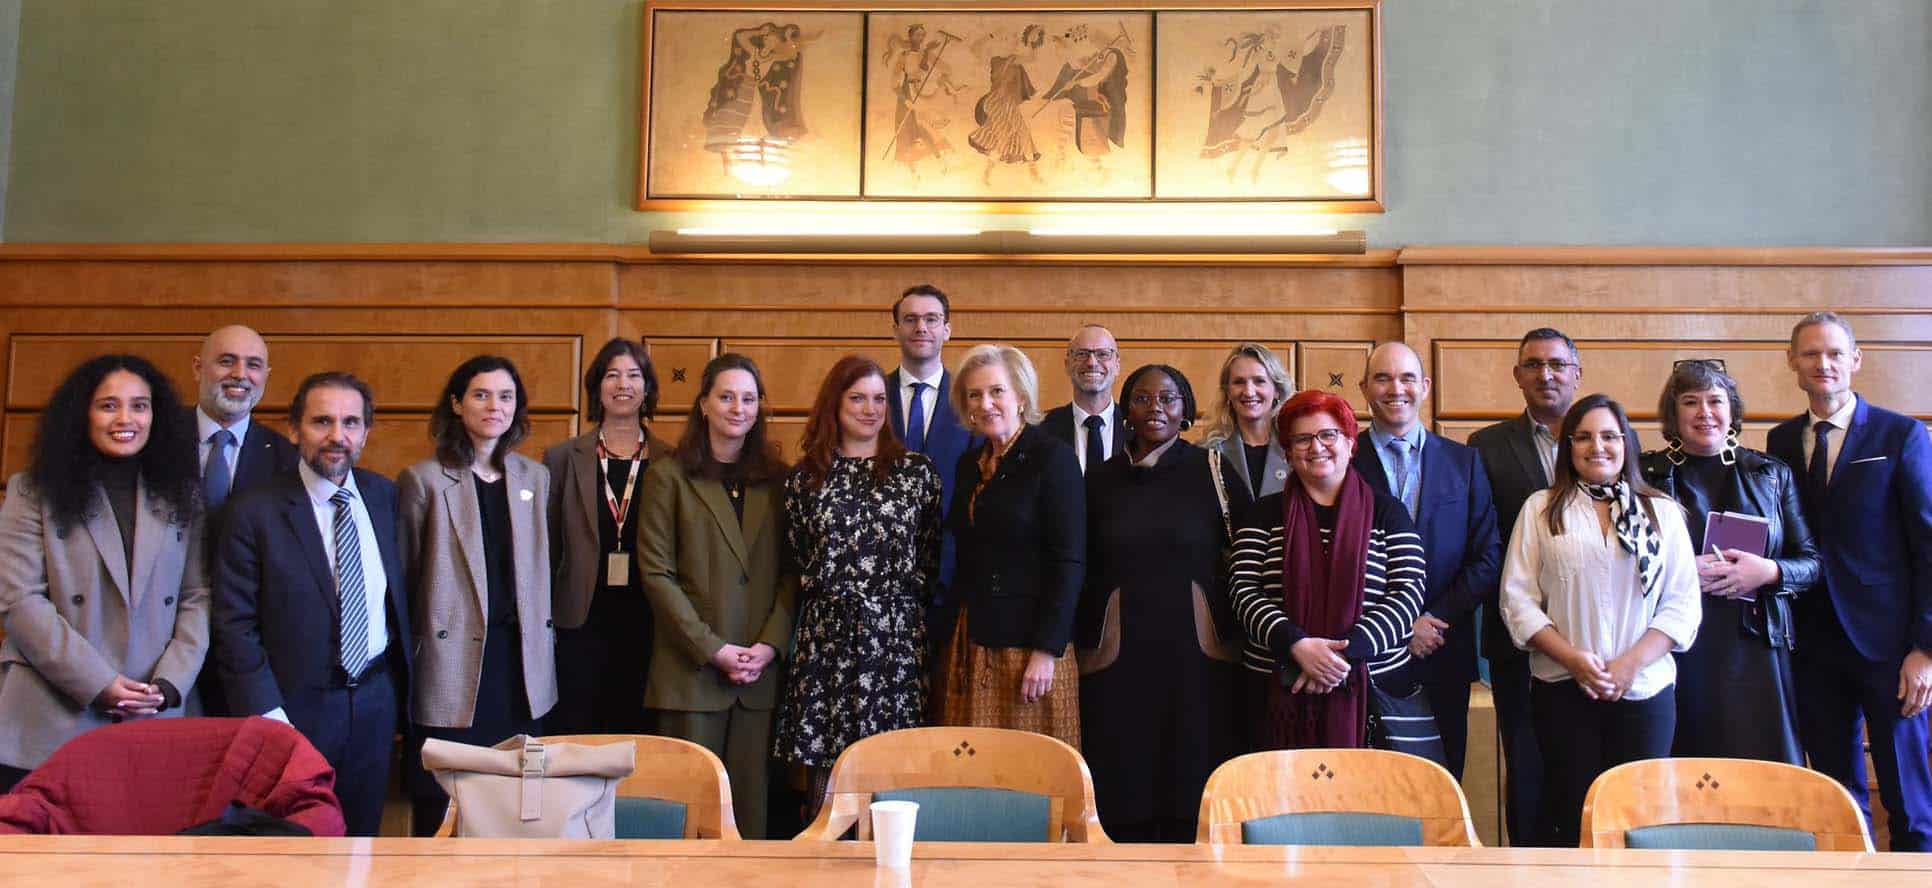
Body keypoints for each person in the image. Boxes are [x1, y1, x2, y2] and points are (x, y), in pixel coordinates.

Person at [1499, 394, 1700, 849]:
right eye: (1584, 436)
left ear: (1626, 442)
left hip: (1645, 691)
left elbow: (1682, 603)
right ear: (1568, 446)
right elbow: (1518, 600)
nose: (1598, 446)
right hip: (1563, 691)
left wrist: (1628, 665)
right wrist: (1574, 660)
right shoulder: (1540, 508)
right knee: (1571, 816)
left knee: (1640, 822)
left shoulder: (1662, 512)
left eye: (1609, 436)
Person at [214, 372, 410, 837]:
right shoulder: (252, 510)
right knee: (289, 850)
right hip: (290, 712)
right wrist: (270, 718)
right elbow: (232, 624)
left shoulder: (385, 497)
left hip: (373, 707)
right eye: (322, 421)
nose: (336, 436)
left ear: (365, 432)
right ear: (293, 429)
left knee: (362, 840)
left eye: (350, 422)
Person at [0, 355, 207, 792]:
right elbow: (18, 600)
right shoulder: (30, 491)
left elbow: (197, 596)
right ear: (82, 415)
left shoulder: (182, 494)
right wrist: (99, 683)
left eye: (139, 405)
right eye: (108, 405)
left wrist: (169, 684)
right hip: (52, 712)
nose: (126, 419)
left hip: (156, 712)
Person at [1769, 311, 1932, 851]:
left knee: (1910, 801)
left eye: (1835, 353)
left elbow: (1929, 545)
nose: (1824, 364)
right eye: (1811, 354)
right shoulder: (1781, 441)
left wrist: (1925, 650)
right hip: (1812, 646)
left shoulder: (1901, 434)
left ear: (1855, 361)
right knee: (1836, 801)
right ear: (1792, 362)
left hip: (1889, 647)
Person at [773, 356, 942, 817]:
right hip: (827, 639)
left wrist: (895, 612)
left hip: (894, 640)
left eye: (879, 399)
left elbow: (929, 555)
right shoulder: (805, 478)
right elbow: (798, 555)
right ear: (835, 403)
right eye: (857, 398)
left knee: (892, 771)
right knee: (827, 780)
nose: (870, 409)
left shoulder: (917, 474)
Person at [1077, 364, 1239, 842]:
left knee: (1190, 773)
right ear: (1126, 409)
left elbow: (1241, 554)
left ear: (1185, 407)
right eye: (1143, 399)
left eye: (1168, 398)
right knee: (1123, 774)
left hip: (1194, 650)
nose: (1156, 409)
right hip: (1119, 651)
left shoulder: (1210, 470)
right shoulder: (1100, 480)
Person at [638, 353, 795, 839]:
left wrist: (768, 646)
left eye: (748, 398)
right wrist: (715, 649)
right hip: (692, 674)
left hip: (757, 678)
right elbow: (656, 574)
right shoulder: (668, 475)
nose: (737, 408)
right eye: (725, 396)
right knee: (691, 819)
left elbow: (794, 572)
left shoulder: (778, 479)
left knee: (750, 821)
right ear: (703, 404)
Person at [398, 355, 556, 836]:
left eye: (505, 396)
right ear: (456, 403)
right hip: (455, 666)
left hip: (519, 666)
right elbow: (406, 580)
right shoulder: (423, 480)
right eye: (481, 395)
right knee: (445, 806)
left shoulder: (534, 478)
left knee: (515, 805)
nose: (494, 406)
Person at [1638, 359, 1817, 765]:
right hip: (1677, 644)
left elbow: (1811, 561)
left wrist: (1769, 571)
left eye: (1715, 401)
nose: (1705, 412)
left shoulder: (1772, 473)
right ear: (1673, 413)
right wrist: (1679, 572)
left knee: (1762, 773)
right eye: (1690, 402)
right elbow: (1621, 565)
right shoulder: (1645, 474)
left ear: (1732, 410)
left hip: (1755, 647)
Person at [1227, 390, 1425, 751]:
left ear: (1350, 443)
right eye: (1302, 438)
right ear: (1287, 452)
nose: (1316, 447)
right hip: (1275, 690)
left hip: (1374, 692)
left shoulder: (1388, 512)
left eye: (1328, 435)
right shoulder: (1263, 514)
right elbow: (1243, 591)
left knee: (1370, 803)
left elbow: (1407, 592)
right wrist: (1296, 645)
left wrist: (1339, 658)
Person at [1352, 343, 1500, 780]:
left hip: (1443, 648)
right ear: (1363, 388)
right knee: (1370, 786)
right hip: (1367, 654)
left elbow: (1488, 556)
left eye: (1407, 378)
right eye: (1382, 378)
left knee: (1442, 783)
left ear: (1426, 386)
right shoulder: (1342, 461)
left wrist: (1433, 618)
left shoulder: (1464, 461)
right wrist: (1399, 626)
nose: (1396, 388)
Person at [936, 344, 1084, 748]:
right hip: (974, 640)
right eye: (974, 394)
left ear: (1021, 396)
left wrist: (1046, 650)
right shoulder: (971, 464)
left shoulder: (1052, 458)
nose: (985, 403)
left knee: (1031, 771)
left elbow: (1068, 560)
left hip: (1030, 648)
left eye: (996, 391)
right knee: (972, 764)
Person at [1466, 327, 1577, 847]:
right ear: (1517, 376)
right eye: (1533, 365)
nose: (1545, 374)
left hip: (1596, 637)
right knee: (1527, 762)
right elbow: (1481, 542)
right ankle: (1528, 867)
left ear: (1576, 371)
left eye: (1556, 364)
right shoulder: (1485, 447)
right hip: (1518, 638)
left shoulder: (1607, 436)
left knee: (1588, 765)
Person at [542, 337, 671, 737]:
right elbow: (547, 545)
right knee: (579, 729)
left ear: (647, 388)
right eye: (612, 375)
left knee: (639, 731)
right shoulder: (562, 457)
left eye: (634, 375)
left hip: (648, 617)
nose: (623, 384)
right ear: (597, 386)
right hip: (580, 618)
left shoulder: (672, 459)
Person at [188, 324, 296, 716]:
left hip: (252, 661)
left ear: (266, 376)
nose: (240, 374)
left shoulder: (289, 461)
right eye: (226, 361)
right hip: (161, 655)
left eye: (253, 365)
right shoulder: (155, 442)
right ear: (198, 368)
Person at [885, 284, 973, 651]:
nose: (921, 327)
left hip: (950, 583)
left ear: (947, 330)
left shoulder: (971, 399)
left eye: (931, 319)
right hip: (881, 584)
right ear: (896, 329)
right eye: (911, 319)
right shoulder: (870, 397)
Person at [1202, 343, 1293, 504]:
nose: (1249, 391)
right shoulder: (1207, 454)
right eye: (1239, 382)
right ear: (1228, 392)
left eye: (1259, 381)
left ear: (1277, 390)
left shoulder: (1297, 449)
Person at [1040, 324, 1126, 476]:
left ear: (1117, 365)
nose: (1092, 362)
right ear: (1067, 365)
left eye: (1103, 354)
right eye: (1081, 354)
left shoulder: (1137, 428)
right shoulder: (1041, 429)